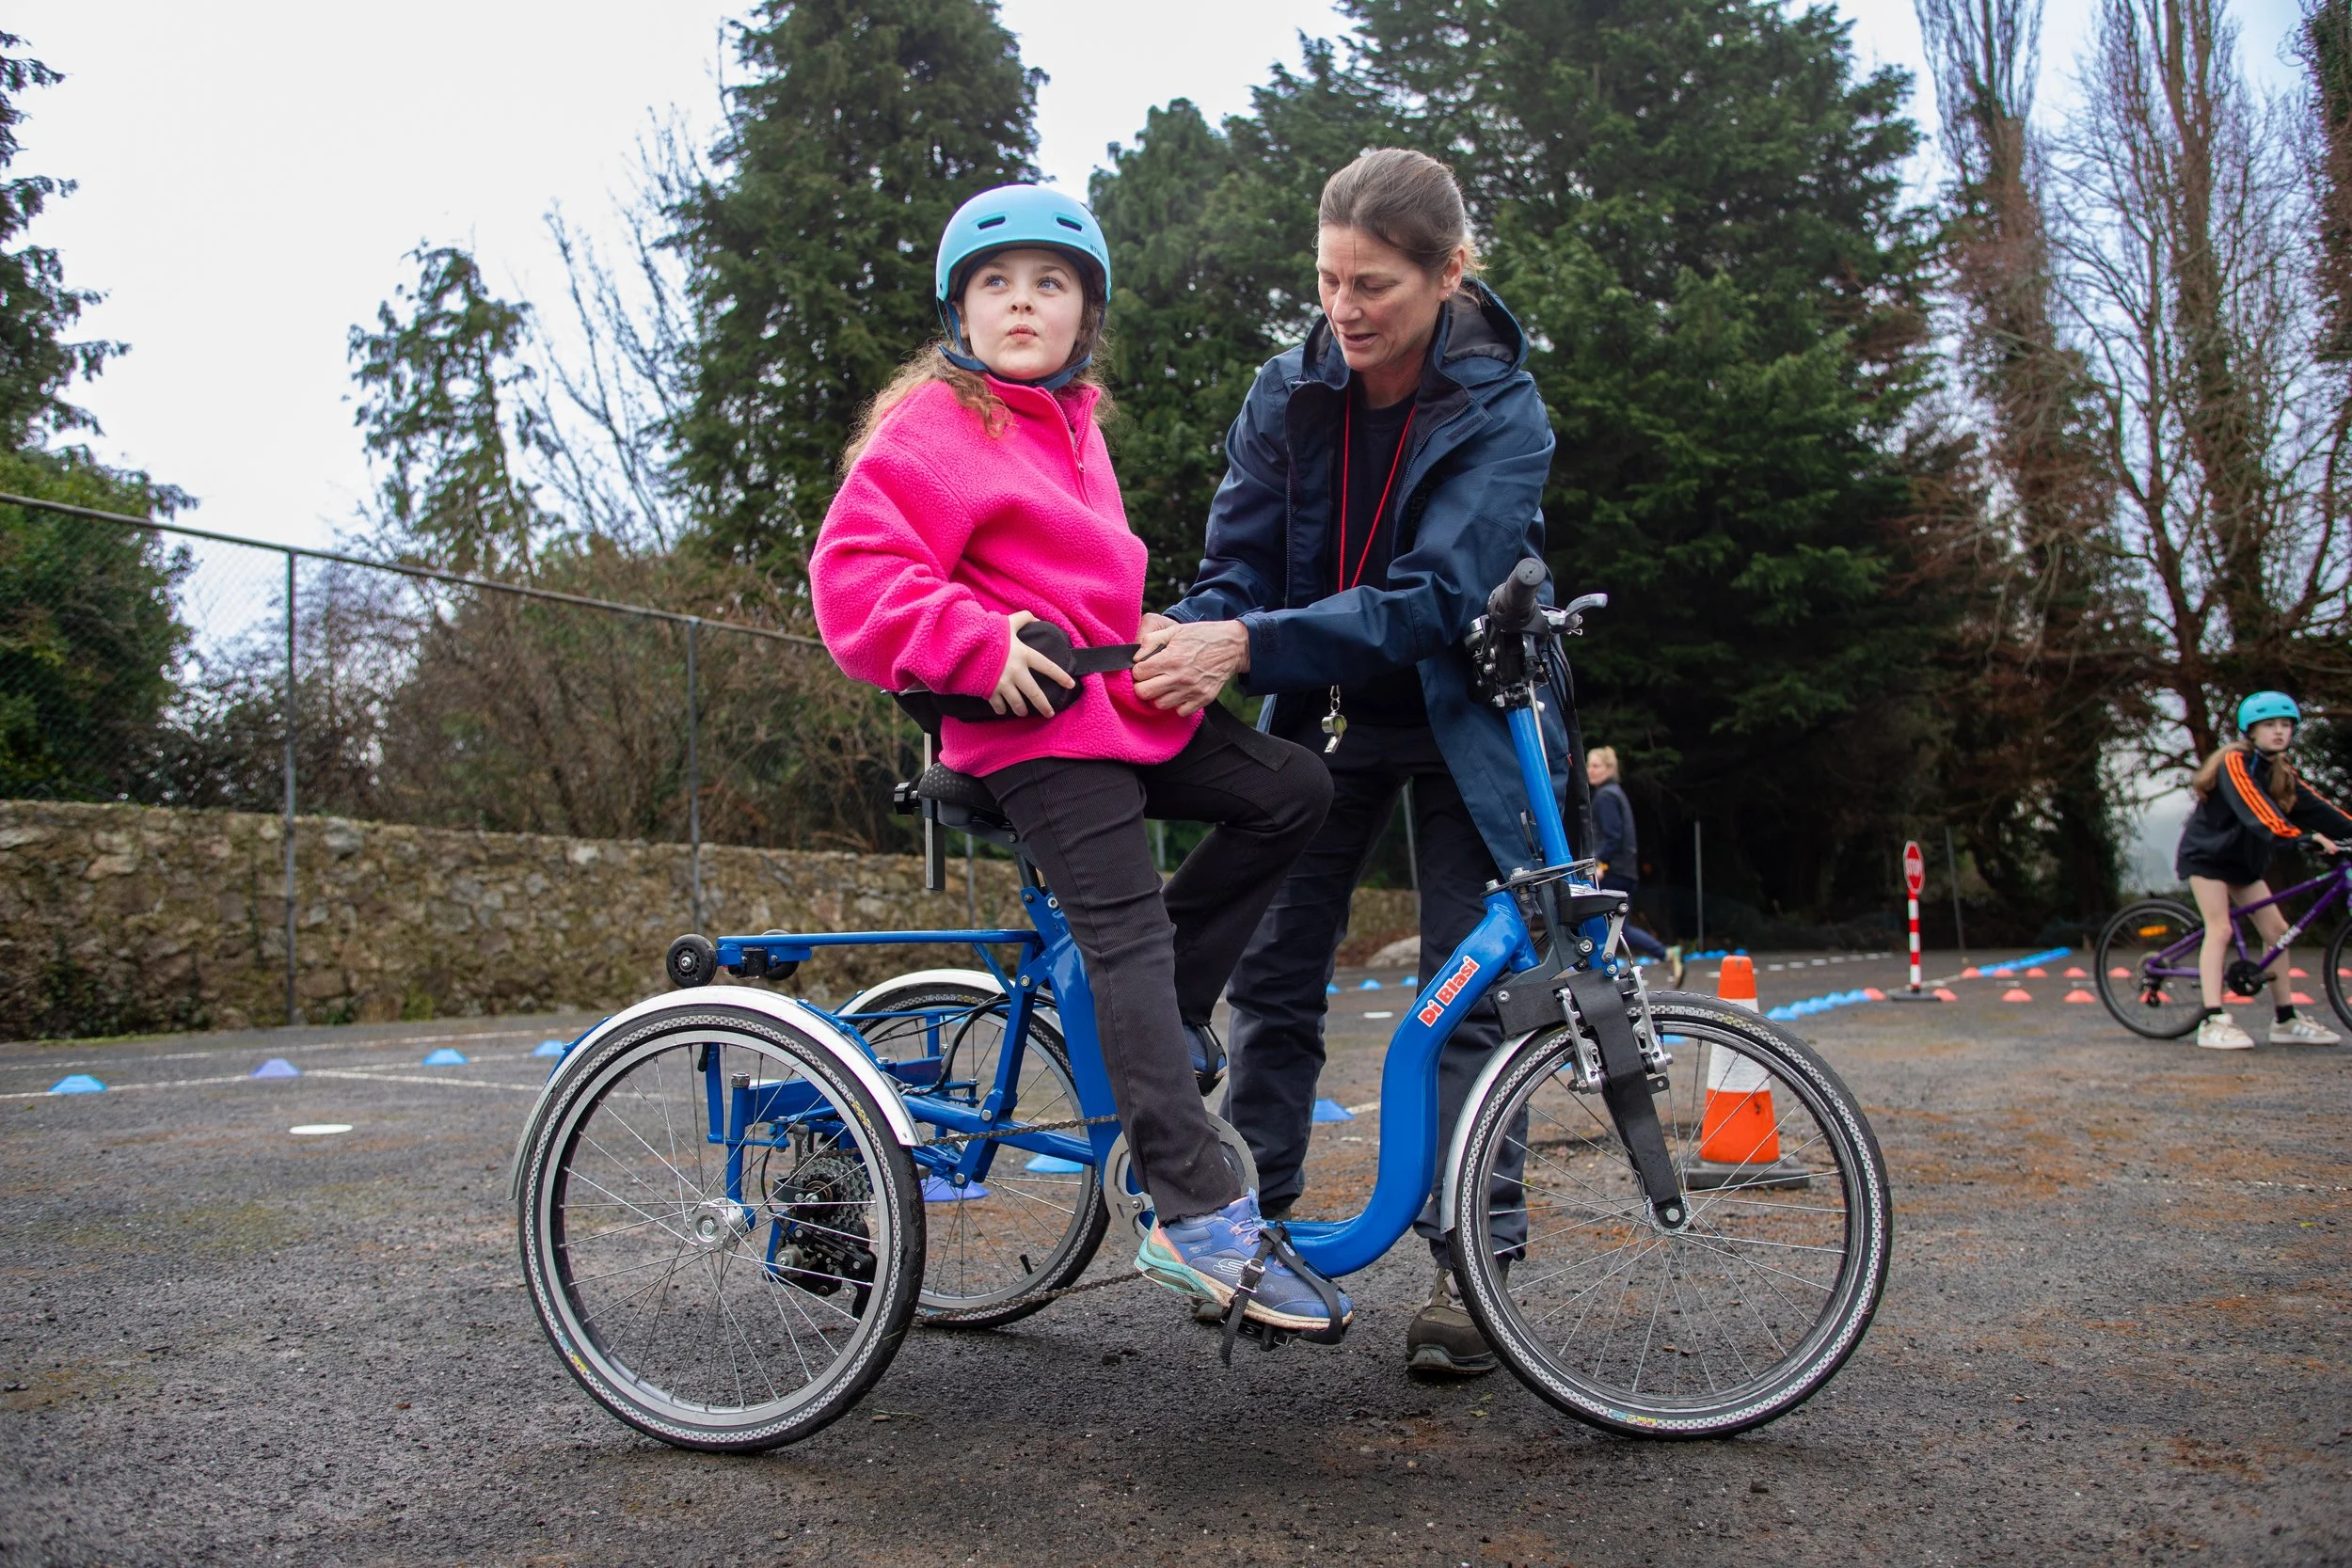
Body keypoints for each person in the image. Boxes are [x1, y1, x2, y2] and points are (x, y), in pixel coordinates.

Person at [810, 184, 1346, 1335]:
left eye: (1049, 284)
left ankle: (1149, 1017)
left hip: (1109, 702)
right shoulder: (937, 426)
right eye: (996, 283)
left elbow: (1067, 579)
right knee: (1127, 934)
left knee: (1293, 787)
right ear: (960, 308)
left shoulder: (1073, 424)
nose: (1022, 302)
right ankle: (1192, 1207)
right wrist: (972, 639)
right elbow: (852, 578)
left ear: (1082, 314)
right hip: (1027, 724)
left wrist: (1154, 632)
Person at [1133, 149, 1568, 1377]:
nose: (1345, 310)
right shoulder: (1287, 391)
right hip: (1324, 712)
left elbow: (1435, 597)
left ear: (1449, 274)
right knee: (1275, 970)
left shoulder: (1504, 413)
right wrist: (1205, 629)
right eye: (1327, 280)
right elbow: (1240, 560)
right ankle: (1246, 1232)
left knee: (1467, 988)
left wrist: (1250, 636)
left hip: (1466, 712)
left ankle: (1470, 1265)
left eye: (1373, 283)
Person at [2173, 691, 2350, 1049]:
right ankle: (2212, 1019)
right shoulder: (2234, 763)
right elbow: (2257, 812)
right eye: (2270, 725)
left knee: (2278, 931)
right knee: (2220, 929)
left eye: (2286, 725)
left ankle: (2285, 1019)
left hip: (2244, 863)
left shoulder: (2280, 772)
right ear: (2250, 731)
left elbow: (2320, 810)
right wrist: (2301, 837)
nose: (2279, 732)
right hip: (2208, 858)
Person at [1585, 746, 1677, 976]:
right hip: (1624, 870)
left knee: (1609, 926)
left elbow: (1614, 836)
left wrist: (1600, 863)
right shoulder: (1614, 792)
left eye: (1595, 766)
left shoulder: (1605, 796)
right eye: (1589, 765)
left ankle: (1662, 954)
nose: (1590, 770)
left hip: (1614, 871)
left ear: (1609, 769)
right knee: (1616, 927)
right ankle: (1664, 954)